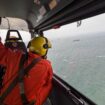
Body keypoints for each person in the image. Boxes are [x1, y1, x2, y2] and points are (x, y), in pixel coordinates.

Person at [0, 36, 53, 105]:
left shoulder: (14, 56)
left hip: (3, 101)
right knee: (48, 86)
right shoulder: (47, 66)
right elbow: (47, 84)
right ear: (44, 49)